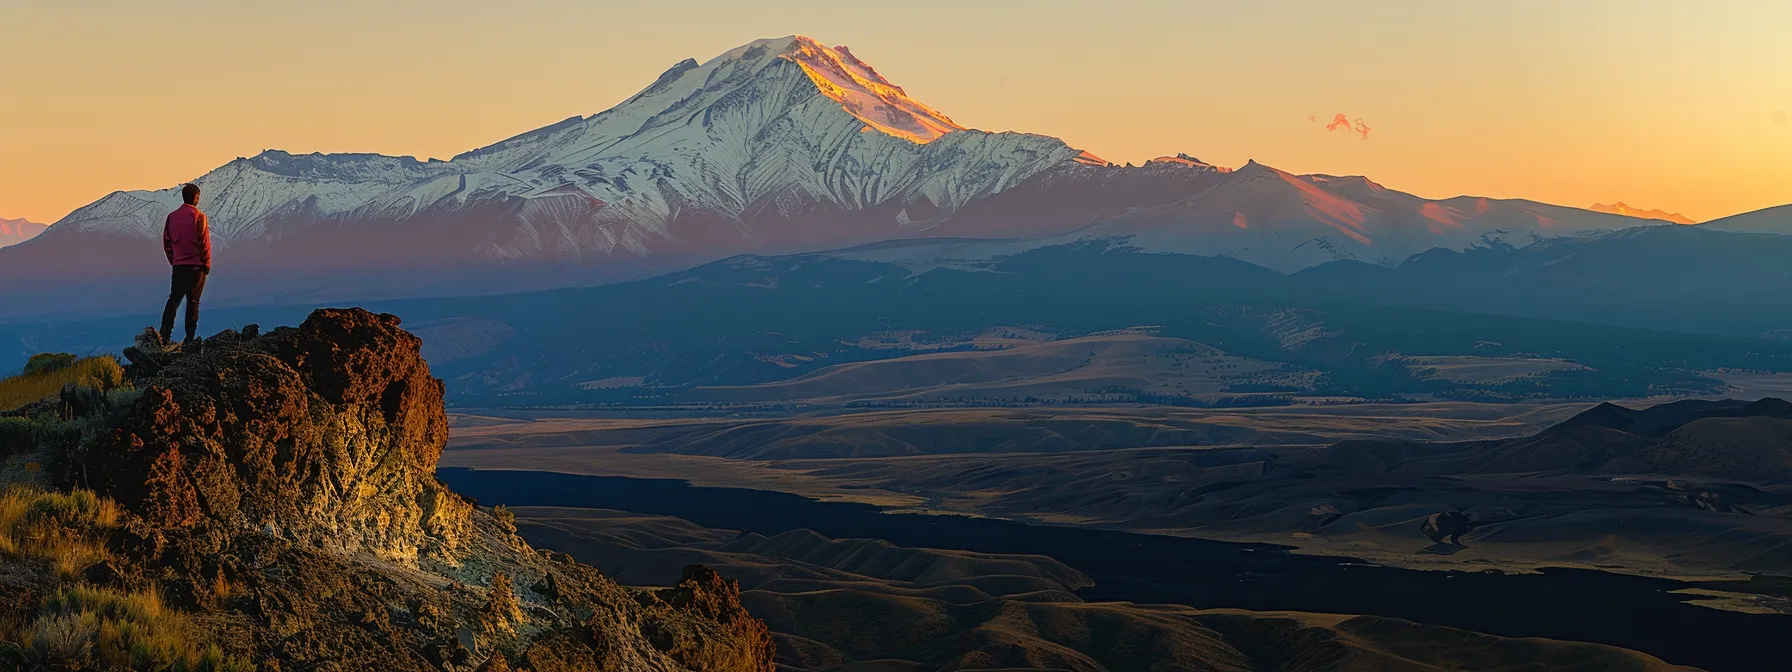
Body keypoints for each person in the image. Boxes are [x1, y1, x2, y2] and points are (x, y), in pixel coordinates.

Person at [160, 183, 211, 346]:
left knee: (174, 300)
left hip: (179, 266)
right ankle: (189, 339)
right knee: (193, 301)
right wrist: (206, 264)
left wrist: (174, 260)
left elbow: (166, 242)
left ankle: (164, 335)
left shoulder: (172, 217)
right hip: (197, 267)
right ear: (196, 197)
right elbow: (204, 243)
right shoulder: (199, 217)